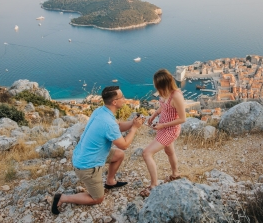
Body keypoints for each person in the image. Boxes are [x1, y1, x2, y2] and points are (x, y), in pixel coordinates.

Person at [51, 86, 144, 214]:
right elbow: (124, 145)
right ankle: (62, 198)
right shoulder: (107, 122)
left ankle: (110, 181)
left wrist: (133, 123)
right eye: (121, 97)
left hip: (86, 154)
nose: (124, 98)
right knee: (98, 198)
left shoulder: (101, 111)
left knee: (118, 155)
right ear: (114, 102)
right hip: (87, 166)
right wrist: (134, 129)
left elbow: (118, 126)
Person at [140, 69, 186, 197]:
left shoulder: (176, 96)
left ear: (164, 84)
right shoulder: (164, 93)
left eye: (158, 86)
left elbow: (183, 119)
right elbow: (164, 106)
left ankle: (154, 185)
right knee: (169, 152)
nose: (156, 88)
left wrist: (163, 125)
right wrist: (154, 114)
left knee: (147, 153)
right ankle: (175, 175)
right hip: (162, 127)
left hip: (170, 130)